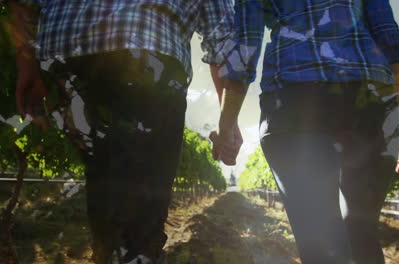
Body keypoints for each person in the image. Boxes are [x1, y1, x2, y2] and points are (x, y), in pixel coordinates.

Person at [6, 0, 234, 263]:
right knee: (138, 220)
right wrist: (227, 120)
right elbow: (223, 35)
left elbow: (22, 3)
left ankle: (110, 251)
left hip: (66, 59)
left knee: (105, 196)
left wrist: (27, 66)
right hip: (148, 52)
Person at [212, 0, 399, 263]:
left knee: (323, 245)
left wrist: (227, 125)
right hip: (370, 104)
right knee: (361, 233)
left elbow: (244, 47)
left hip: (295, 101)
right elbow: (390, 41)